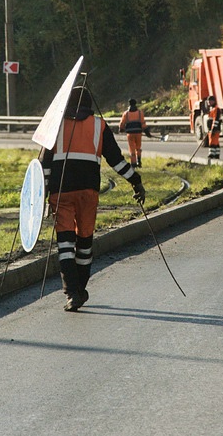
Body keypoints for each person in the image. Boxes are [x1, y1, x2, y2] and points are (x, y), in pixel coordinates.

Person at [41, 86, 146, 312]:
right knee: (85, 242)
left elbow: (44, 165)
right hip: (88, 194)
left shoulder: (56, 125)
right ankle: (81, 287)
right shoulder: (99, 125)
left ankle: (72, 293)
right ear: (89, 104)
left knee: (66, 244)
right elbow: (116, 161)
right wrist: (135, 181)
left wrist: (42, 195)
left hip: (62, 193)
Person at [118, 98, 153, 168]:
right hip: (138, 134)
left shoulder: (126, 114)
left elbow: (122, 124)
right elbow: (143, 124)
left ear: (129, 104)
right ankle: (139, 161)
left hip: (130, 134)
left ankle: (133, 163)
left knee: (132, 148)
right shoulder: (140, 113)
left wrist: (121, 129)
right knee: (138, 147)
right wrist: (147, 132)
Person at [205, 95, 221, 159]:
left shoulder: (216, 109)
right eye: (208, 101)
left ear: (213, 101)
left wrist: (213, 128)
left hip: (214, 129)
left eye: (210, 101)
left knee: (212, 142)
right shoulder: (212, 109)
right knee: (216, 142)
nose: (208, 102)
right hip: (212, 129)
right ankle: (216, 154)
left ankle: (211, 154)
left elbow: (216, 120)